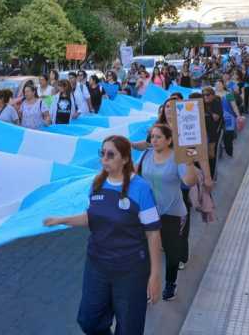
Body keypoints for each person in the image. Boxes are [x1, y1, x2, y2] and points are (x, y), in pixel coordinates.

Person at [42, 135, 162, 334]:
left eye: (111, 154)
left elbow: (153, 234)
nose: (104, 158)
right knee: (89, 322)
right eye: (103, 153)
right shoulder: (97, 183)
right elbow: (92, 217)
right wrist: (62, 220)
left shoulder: (140, 189)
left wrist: (155, 275)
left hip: (130, 271)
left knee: (129, 329)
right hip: (97, 267)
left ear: (125, 159)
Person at [136, 124, 201, 301]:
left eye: (158, 137)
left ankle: (170, 283)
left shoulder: (177, 159)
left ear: (169, 140)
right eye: (152, 137)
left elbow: (189, 181)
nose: (154, 140)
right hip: (148, 212)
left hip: (172, 213)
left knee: (172, 251)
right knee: (146, 250)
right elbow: (134, 173)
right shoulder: (146, 154)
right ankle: (148, 283)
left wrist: (189, 163)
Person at [214, 80, 240, 158]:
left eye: (219, 84)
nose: (218, 86)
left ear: (223, 85)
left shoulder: (228, 95)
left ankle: (229, 151)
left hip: (229, 119)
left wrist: (239, 116)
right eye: (216, 84)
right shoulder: (213, 95)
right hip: (217, 120)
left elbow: (234, 107)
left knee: (228, 138)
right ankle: (219, 154)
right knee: (217, 138)